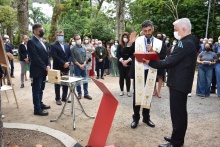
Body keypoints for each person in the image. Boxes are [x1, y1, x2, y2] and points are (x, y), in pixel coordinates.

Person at [143, 18, 197, 147]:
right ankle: (176, 137)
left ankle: (176, 142)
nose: (175, 32)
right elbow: (173, 60)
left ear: (183, 29)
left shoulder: (184, 43)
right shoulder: (189, 41)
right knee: (179, 112)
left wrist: (150, 62)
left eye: (176, 30)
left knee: (178, 114)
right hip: (181, 83)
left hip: (179, 83)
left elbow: (169, 62)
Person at [128, 20, 165, 129]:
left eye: (149, 30)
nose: (147, 32)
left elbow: (163, 56)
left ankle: (146, 117)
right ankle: (135, 118)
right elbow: (127, 52)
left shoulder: (159, 42)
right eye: (145, 31)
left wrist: (153, 51)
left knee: (148, 94)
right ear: (143, 31)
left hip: (151, 71)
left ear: (152, 29)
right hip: (139, 70)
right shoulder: (138, 40)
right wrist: (130, 43)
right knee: (137, 94)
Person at [27, 23, 51, 116]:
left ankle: (40, 103)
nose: (42, 31)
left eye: (42, 29)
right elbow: (35, 57)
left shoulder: (41, 41)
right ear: (35, 31)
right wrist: (44, 66)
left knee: (41, 89)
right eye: (40, 30)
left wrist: (48, 64)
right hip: (37, 70)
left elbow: (46, 55)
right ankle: (37, 109)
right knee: (36, 90)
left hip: (44, 70)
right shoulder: (31, 41)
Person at [50, 30, 72, 105]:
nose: (61, 37)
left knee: (65, 82)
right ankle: (57, 98)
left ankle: (64, 97)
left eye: (62, 35)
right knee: (57, 83)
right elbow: (55, 57)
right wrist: (63, 63)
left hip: (66, 67)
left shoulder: (66, 45)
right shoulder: (53, 45)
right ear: (56, 36)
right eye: (59, 35)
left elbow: (70, 55)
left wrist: (68, 63)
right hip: (58, 67)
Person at [71, 34, 93, 100]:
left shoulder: (83, 47)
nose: (79, 40)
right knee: (78, 81)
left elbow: (86, 57)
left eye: (79, 38)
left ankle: (86, 94)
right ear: (75, 40)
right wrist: (79, 65)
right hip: (77, 66)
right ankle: (79, 94)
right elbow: (73, 58)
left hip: (84, 65)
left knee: (85, 80)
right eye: (77, 39)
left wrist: (84, 64)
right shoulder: (73, 48)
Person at [116, 32, 133, 97]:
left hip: (128, 63)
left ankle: (128, 91)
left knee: (128, 77)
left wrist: (127, 61)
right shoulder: (119, 45)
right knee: (121, 77)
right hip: (121, 63)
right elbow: (117, 54)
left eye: (126, 37)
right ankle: (121, 90)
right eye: (124, 37)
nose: (125, 38)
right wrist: (122, 61)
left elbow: (132, 54)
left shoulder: (131, 45)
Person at [153, 32, 167, 98]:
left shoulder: (164, 45)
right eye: (157, 36)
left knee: (160, 76)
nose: (158, 37)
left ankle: (159, 91)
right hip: (153, 62)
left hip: (161, 62)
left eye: (160, 36)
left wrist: (156, 55)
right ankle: (154, 91)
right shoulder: (153, 45)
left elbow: (164, 55)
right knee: (153, 77)